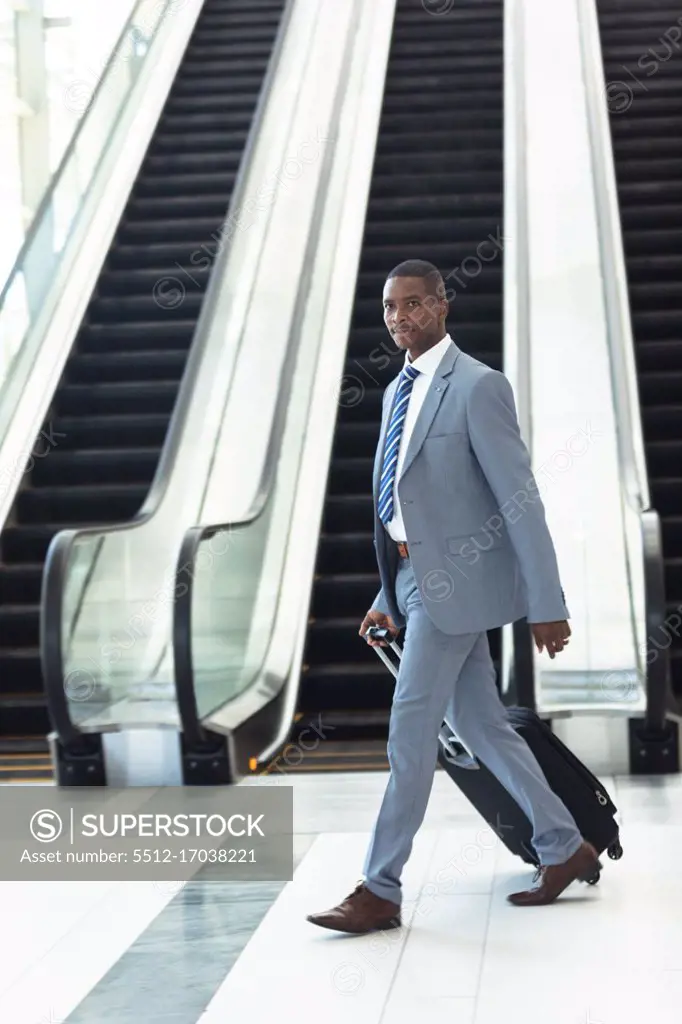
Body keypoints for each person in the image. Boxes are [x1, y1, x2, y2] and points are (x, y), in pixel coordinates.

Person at [306, 258, 598, 934]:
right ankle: (561, 846)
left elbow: (519, 500)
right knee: (482, 725)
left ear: (442, 306)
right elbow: (399, 505)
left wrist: (546, 602)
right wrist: (389, 589)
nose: (400, 318)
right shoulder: (394, 392)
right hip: (412, 579)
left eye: (413, 304)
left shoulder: (478, 387)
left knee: (411, 733)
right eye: (389, 308)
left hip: (458, 585)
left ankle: (379, 887)